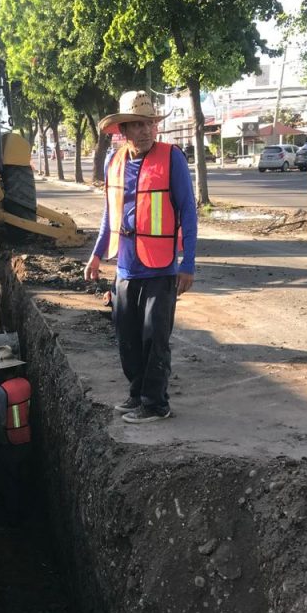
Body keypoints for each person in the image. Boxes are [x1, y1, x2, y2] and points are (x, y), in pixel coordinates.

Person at [85, 91, 198, 425]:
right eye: (137, 124)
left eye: (149, 123)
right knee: (127, 337)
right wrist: (96, 255)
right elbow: (110, 214)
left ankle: (155, 403)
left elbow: (187, 212)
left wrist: (187, 262)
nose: (145, 130)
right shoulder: (114, 161)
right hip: (125, 266)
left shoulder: (171, 158)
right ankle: (137, 394)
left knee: (154, 338)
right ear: (123, 130)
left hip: (160, 267)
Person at [0, 345, 31, 520]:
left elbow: (0, 423)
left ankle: (13, 519)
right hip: (27, 439)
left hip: (9, 444)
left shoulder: (1, 391)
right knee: (24, 478)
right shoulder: (26, 384)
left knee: (10, 482)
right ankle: (29, 512)